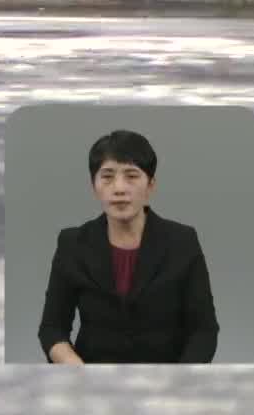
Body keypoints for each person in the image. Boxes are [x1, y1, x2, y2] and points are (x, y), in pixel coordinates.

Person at [38, 130, 219, 364]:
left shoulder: (182, 241)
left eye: (131, 176)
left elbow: (203, 331)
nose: (119, 188)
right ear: (94, 186)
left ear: (151, 185)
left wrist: (178, 383)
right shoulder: (72, 243)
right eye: (107, 177)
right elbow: (52, 328)